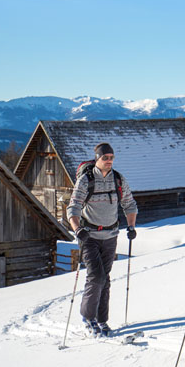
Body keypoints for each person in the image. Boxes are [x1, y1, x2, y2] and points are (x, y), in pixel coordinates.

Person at [67, 142, 138, 337]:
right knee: (96, 276)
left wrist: (131, 226)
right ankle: (87, 318)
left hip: (110, 235)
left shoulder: (118, 179)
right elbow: (72, 208)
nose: (109, 161)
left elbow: (130, 204)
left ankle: (102, 320)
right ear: (97, 159)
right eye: (105, 158)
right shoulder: (86, 180)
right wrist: (77, 229)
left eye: (111, 158)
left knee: (105, 278)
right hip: (88, 235)